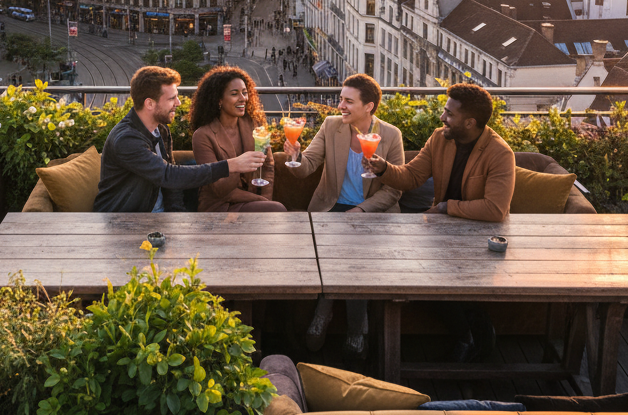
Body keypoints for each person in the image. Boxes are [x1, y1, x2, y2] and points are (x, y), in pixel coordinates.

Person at [364, 82, 517, 362]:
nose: (442, 117)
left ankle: (467, 336)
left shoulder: (499, 153)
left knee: (432, 275)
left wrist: (447, 207)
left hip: (479, 237)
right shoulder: (439, 139)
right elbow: (411, 177)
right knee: (412, 272)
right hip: (442, 233)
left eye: (449, 114)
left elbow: (496, 209)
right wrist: (383, 168)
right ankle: (474, 332)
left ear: (470, 122)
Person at [287, 73, 404, 357]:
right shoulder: (331, 126)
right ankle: (345, 323)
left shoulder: (390, 135)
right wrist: (294, 156)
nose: (341, 105)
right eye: (341, 99)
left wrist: (361, 210)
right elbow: (308, 165)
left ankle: (339, 320)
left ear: (369, 106)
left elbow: (394, 189)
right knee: (341, 253)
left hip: (371, 211)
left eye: (349, 101)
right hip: (331, 208)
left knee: (356, 260)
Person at [95, 66, 266, 213]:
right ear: (149, 104)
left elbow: (171, 183)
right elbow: (168, 175)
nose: (178, 103)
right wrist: (231, 165)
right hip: (123, 220)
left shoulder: (160, 129)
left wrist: (177, 215)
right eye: (171, 98)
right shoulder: (126, 140)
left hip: (157, 217)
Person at [190, 67, 286, 213]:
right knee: (277, 210)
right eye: (235, 94)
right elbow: (219, 188)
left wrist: (266, 198)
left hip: (252, 201)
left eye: (245, 92)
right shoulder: (203, 136)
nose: (243, 98)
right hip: (220, 206)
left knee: (273, 209)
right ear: (219, 100)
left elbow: (268, 165)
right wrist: (258, 199)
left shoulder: (254, 125)